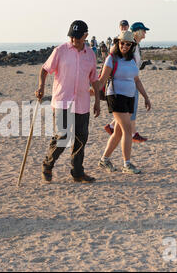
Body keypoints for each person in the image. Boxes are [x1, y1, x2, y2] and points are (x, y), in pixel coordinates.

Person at [35, 20, 101, 183]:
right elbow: (45, 69)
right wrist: (41, 87)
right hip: (62, 100)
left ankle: (77, 173)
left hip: (82, 102)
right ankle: (47, 166)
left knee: (81, 138)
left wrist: (98, 102)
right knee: (63, 136)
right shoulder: (61, 51)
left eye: (78, 37)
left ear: (85, 36)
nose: (74, 40)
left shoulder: (91, 54)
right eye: (72, 37)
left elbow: (94, 79)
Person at [97, 31, 151, 174]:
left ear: (132, 45)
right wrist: (90, 92)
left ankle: (104, 160)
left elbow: (137, 80)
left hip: (129, 97)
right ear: (117, 43)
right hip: (115, 97)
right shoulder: (111, 59)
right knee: (128, 130)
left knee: (119, 132)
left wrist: (146, 97)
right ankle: (126, 164)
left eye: (128, 44)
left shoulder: (132, 60)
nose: (124, 46)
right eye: (122, 43)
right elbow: (102, 80)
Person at [104, 22, 150, 142]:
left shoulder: (136, 45)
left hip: (131, 79)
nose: (145, 33)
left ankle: (112, 126)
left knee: (128, 112)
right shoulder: (130, 45)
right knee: (130, 112)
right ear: (138, 32)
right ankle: (132, 133)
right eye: (143, 31)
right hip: (124, 82)